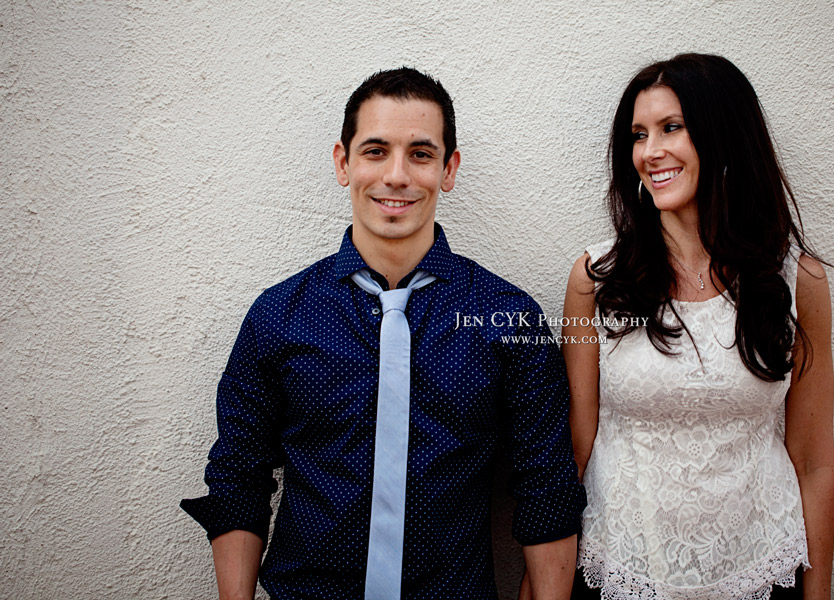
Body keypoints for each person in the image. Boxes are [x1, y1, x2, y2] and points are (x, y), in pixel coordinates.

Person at [181, 67, 586, 600]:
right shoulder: (279, 316)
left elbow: (547, 486)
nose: (397, 175)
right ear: (343, 163)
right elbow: (239, 475)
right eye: (375, 151)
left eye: (420, 153)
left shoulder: (507, 317)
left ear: (449, 169)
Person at [563, 54, 834, 599]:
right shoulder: (596, 278)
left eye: (672, 128)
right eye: (638, 135)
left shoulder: (795, 279)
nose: (650, 152)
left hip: (761, 567)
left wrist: (819, 593)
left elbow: (812, 458)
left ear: (724, 135)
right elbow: (577, 443)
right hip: (622, 567)